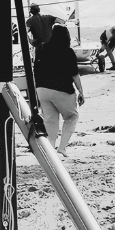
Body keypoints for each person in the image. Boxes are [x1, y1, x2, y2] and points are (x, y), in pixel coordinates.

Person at [33, 23, 85, 154]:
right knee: (71, 116)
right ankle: (62, 147)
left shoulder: (40, 48)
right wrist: (81, 92)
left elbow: (36, 70)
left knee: (50, 120)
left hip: (42, 89)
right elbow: (74, 74)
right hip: (62, 89)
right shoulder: (67, 51)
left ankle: (50, 150)